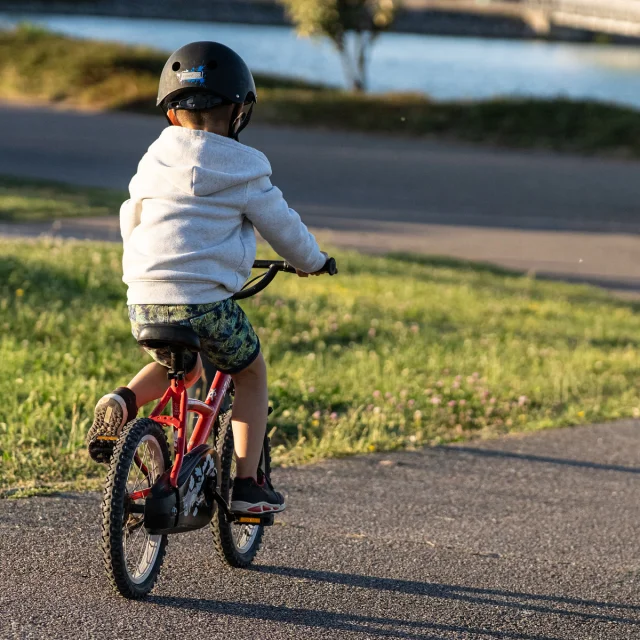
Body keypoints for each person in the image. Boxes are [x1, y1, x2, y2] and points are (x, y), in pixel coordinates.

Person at [86, 41, 328, 515]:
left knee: (183, 365)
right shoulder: (245, 170)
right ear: (239, 111)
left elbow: (130, 217)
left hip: (145, 296)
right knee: (251, 373)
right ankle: (246, 486)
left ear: (172, 114)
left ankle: (122, 399)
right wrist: (315, 260)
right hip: (205, 305)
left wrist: (142, 268)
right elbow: (285, 230)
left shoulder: (154, 161)